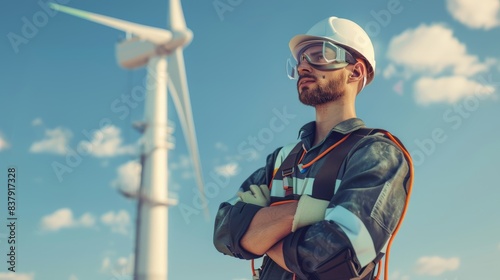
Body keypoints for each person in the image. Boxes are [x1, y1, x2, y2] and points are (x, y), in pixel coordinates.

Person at [213, 16, 413, 280]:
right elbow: (224, 230)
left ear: (355, 71)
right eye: (301, 59)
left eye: (320, 55)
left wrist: (260, 237)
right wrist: (310, 213)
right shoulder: (281, 160)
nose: (304, 66)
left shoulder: (377, 153)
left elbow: (337, 256)